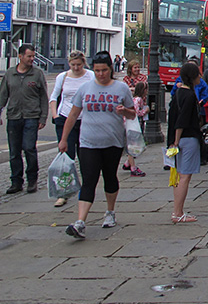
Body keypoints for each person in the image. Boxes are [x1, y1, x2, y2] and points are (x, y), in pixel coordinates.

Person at [59, 51, 135, 238]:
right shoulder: (85, 88)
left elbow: (133, 113)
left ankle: (110, 211)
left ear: (111, 69)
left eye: (104, 70)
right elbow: (73, 114)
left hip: (112, 142)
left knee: (110, 177)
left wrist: (124, 110)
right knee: (89, 180)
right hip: (88, 142)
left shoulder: (121, 88)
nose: (100, 74)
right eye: (97, 70)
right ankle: (80, 222)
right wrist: (63, 139)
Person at [0, 44, 49, 194]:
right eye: (29, 56)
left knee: (29, 148)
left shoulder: (37, 74)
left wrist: (43, 117)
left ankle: (32, 180)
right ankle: (16, 182)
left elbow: (43, 97)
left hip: (31, 116)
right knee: (14, 151)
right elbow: (3, 95)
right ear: (20, 56)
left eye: (33, 56)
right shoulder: (10, 74)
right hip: (14, 116)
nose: (32, 59)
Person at [48, 50, 94, 206]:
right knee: (66, 156)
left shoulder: (90, 76)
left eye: (79, 65)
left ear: (83, 63)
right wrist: (55, 115)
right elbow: (54, 97)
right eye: (73, 65)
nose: (76, 68)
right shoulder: (63, 77)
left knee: (85, 156)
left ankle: (86, 188)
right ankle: (64, 192)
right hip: (65, 119)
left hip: (84, 120)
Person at [167, 61, 204, 223]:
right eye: (198, 74)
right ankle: (178, 213)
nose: (200, 77)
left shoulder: (177, 94)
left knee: (178, 176)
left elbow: (172, 118)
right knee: (184, 177)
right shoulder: (189, 95)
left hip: (178, 140)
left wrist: (172, 141)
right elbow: (181, 121)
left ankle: (178, 210)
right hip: (187, 138)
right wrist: (176, 140)